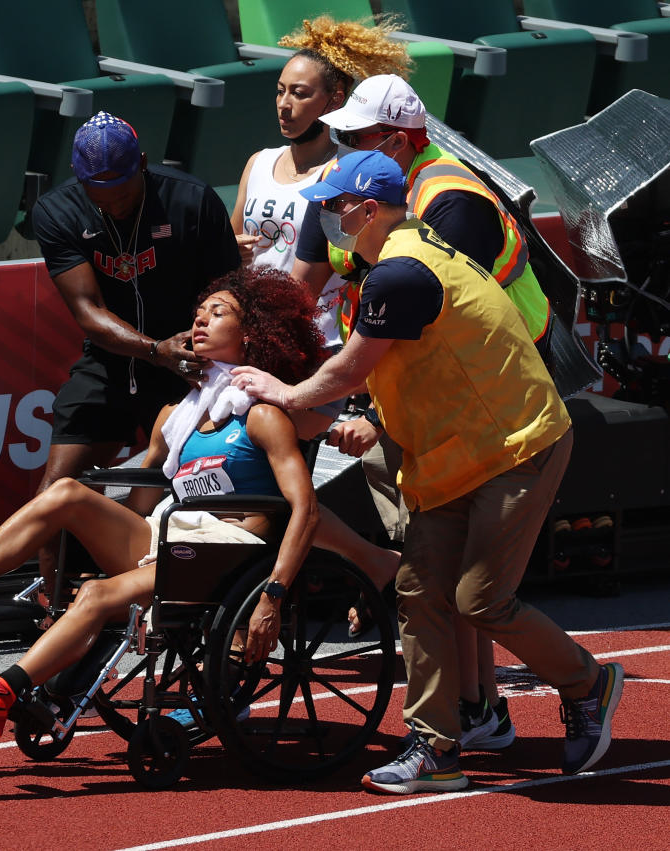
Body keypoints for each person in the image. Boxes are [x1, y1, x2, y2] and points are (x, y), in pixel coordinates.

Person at [231, 150, 623, 794]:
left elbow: (349, 370)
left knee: (481, 599)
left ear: (365, 209)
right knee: (418, 592)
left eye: (333, 204)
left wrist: (287, 392)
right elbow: (400, 371)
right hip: (450, 455)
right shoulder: (392, 263)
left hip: (515, 446)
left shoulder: (403, 272)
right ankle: (437, 749)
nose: (325, 215)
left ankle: (589, 682)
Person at [0, 267, 324, 739]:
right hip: (172, 532)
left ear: (251, 335)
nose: (200, 321)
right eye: (198, 313)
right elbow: (143, 498)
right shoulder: (176, 416)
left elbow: (305, 510)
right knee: (66, 493)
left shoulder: (262, 416)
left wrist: (274, 593)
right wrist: (96, 525)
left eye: (217, 314)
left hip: (228, 548)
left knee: (98, 595)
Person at [303, 74, 555, 748]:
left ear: (398, 138)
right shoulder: (372, 192)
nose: (342, 146)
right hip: (424, 391)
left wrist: (371, 413)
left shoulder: (450, 199)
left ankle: (493, 702)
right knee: (435, 568)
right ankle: (473, 709)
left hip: (490, 391)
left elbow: (438, 325)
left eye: (355, 137)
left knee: (463, 576)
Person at [26, 111, 241, 592]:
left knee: (205, 486)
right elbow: (87, 310)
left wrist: (194, 350)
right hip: (113, 358)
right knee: (56, 492)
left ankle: (187, 597)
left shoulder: (191, 200)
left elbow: (231, 293)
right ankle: (56, 610)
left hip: (190, 361)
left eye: (123, 195)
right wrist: (152, 349)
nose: (115, 207)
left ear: (142, 164)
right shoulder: (57, 212)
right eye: (99, 198)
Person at [232, 15, 411, 353]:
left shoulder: (348, 172)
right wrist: (232, 250)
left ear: (335, 100)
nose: (284, 105)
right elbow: (229, 242)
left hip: (319, 338)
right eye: (280, 91)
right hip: (252, 329)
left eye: (299, 94)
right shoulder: (258, 163)